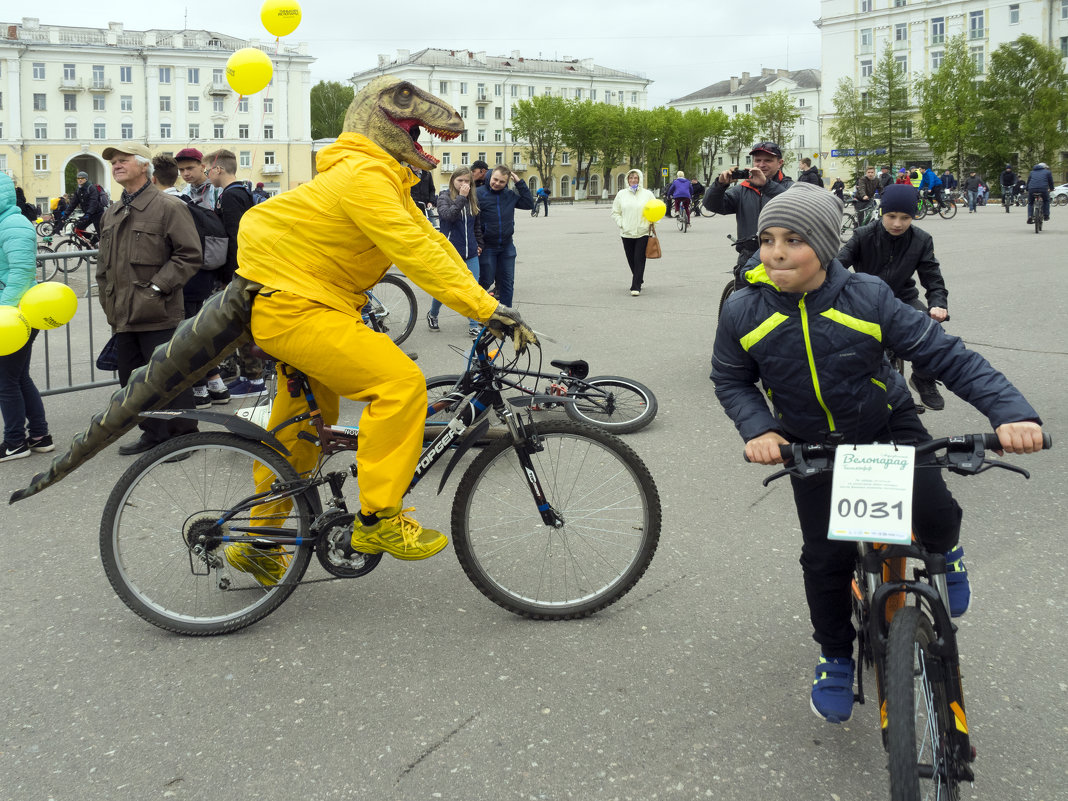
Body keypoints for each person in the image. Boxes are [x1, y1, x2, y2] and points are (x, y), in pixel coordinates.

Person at [710, 182, 1045, 724]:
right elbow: (731, 379)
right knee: (825, 559)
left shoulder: (866, 296)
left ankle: (947, 553)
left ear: (821, 244)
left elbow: (946, 355)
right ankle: (836, 655)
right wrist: (760, 429)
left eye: (793, 239)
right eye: (767, 239)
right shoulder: (743, 310)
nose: (775, 252)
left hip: (885, 424)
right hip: (809, 443)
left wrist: (1011, 413)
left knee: (935, 510)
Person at [231, 76, 534, 581]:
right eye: (407, 107)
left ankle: (259, 540)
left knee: (303, 428)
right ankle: (377, 518)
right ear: (374, 115)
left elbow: (434, 245)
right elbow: (412, 252)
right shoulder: (360, 176)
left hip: (313, 307)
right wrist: (485, 311)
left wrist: (490, 305)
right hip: (298, 308)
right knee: (399, 386)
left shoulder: (380, 176)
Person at [96, 143, 202, 456]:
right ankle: (153, 434)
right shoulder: (112, 212)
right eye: (113, 162)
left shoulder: (168, 207)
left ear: (145, 167)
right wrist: (107, 299)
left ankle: (182, 437)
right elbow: (105, 264)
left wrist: (157, 289)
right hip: (123, 314)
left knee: (168, 378)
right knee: (132, 381)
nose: (116, 165)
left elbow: (189, 254)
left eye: (123, 160)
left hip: (159, 311)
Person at [836, 183, 948, 411]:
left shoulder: (921, 240)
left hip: (903, 297)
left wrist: (938, 304)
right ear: (881, 212)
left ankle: (923, 379)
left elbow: (932, 277)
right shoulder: (862, 235)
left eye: (905, 217)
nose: (897, 223)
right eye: (891, 216)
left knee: (932, 333)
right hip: (864, 297)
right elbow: (836, 267)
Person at [150, 153, 230, 410]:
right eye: (181, 169)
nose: (186, 173)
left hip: (183, 280)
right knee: (196, 333)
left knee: (185, 337)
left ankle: (200, 389)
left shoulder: (168, 203)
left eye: (190, 168)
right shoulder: (188, 199)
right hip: (201, 276)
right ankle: (215, 385)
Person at [0, 173, 53, 462]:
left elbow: (21, 274)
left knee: (5, 380)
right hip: (13, 313)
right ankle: (39, 436)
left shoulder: (14, 224)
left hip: (14, 314)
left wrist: (4, 314)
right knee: (17, 376)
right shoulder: (5, 222)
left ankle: (15, 442)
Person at [205, 148, 263, 399]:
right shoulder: (241, 192)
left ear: (218, 169)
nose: (207, 174)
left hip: (239, 270)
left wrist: (230, 275)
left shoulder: (230, 196)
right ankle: (248, 376)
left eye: (207, 170)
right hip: (246, 267)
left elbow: (234, 238)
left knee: (242, 325)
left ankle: (253, 380)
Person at [703, 141, 793, 288]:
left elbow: (794, 205)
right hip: (749, 256)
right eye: (758, 160)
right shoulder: (743, 189)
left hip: (782, 257)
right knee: (742, 305)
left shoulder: (789, 187)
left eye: (768, 160)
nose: (761, 164)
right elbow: (711, 205)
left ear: (780, 163)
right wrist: (720, 186)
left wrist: (767, 185)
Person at [427, 166, 484, 337]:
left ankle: (474, 324)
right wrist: (461, 198)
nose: (464, 184)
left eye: (467, 181)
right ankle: (433, 314)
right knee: (446, 289)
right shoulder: (444, 197)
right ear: (453, 181)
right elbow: (447, 216)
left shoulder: (472, 199)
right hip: (451, 252)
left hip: (471, 252)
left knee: (473, 288)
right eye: (460, 181)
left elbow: (476, 225)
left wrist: (479, 243)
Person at [476, 165, 534, 307]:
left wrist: (519, 183)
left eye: (502, 182)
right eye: (495, 179)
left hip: (507, 246)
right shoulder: (478, 193)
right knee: (485, 281)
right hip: (487, 246)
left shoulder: (509, 195)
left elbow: (528, 203)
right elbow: (471, 220)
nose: (497, 183)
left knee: (507, 282)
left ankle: (507, 315)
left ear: (507, 182)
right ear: (490, 176)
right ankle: (478, 312)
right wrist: (476, 242)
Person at [610, 169, 656, 297]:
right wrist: (621, 224)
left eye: (636, 178)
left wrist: (652, 225)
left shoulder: (647, 194)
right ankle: (639, 277)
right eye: (631, 178)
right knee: (631, 259)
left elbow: (655, 210)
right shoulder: (621, 194)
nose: (633, 180)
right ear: (627, 180)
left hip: (643, 232)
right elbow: (615, 212)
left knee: (639, 258)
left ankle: (636, 286)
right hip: (627, 232)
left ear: (640, 179)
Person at [69, 171, 103, 242]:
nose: (80, 180)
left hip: (97, 214)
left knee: (101, 234)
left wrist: (89, 213)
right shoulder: (78, 190)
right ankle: (92, 240)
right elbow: (73, 204)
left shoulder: (91, 188)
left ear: (86, 179)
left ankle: (101, 245)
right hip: (88, 214)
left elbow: (94, 202)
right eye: (78, 178)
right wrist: (65, 215)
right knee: (78, 228)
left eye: (82, 178)